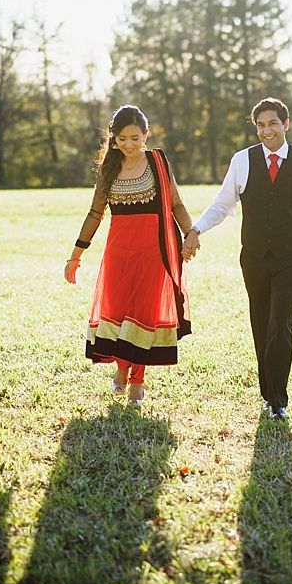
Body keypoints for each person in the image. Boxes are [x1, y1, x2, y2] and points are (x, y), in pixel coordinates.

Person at [181, 97, 292, 420]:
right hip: (254, 258)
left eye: (273, 123)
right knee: (261, 323)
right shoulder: (242, 161)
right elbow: (222, 205)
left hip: (291, 258)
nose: (266, 131)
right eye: (260, 125)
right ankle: (267, 393)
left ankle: (278, 400)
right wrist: (196, 230)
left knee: (281, 324)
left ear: (286, 124)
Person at [65, 105, 194, 407]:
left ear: (146, 136)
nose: (129, 144)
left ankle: (136, 378)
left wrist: (191, 232)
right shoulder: (109, 169)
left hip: (154, 252)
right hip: (119, 253)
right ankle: (123, 370)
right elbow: (95, 213)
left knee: (144, 314)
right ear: (113, 138)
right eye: (121, 138)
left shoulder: (158, 162)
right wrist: (75, 255)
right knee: (121, 313)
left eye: (135, 138)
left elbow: (175, 203)